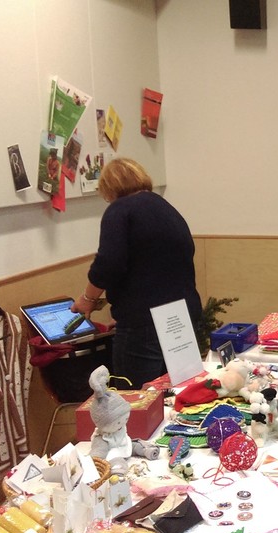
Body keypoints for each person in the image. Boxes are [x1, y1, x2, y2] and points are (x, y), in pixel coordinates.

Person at [71, 158, 202, 389]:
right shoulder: (165, 208)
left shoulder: (119, 210)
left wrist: (88, 299)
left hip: (143, 323)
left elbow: (108, 263)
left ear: (109, 187)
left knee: (136, 397)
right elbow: (155, 266)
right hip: (181, 316)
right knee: (176, 390)